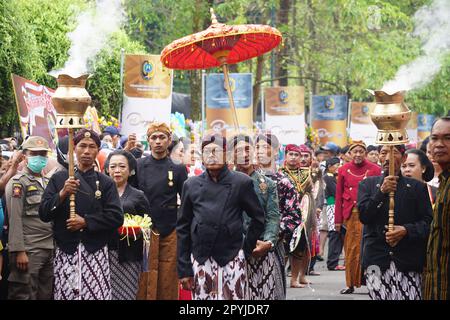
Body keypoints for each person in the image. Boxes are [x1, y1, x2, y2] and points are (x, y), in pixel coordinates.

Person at [177, 133, 264, 300]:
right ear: (202, 158)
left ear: (226, 155)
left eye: (216, 151)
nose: (212, 155)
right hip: (201, 259)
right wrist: (184, 268)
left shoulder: (241, 182)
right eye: (207, 152)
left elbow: (258, 218)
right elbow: (183, 228)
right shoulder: (191, 185)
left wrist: (245, 248)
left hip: (231, 257)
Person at [39, 129, 124, 300]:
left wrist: (86, 222)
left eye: (92, 147)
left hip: (95, 251)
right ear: (74, 149)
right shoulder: (59, 179)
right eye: (82, 146)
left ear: (98, 151)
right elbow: (44, 213)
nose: (86, 151)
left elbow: (116, 216)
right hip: (66, 250)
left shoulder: (106, 183)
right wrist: (62, 194)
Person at [358, 144, 433, 300]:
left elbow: (428, 223)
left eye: (394, 153)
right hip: (376, 261)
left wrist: (406, 230)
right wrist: (381, 193)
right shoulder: (368, 185)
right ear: (379, 156)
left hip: (408, 260)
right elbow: (364, 216)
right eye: (383, 153)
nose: (388, 158)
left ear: (404, 158)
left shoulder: (417, 187)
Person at [134, 122, 187, 300]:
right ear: (148, 141)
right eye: (154, 137)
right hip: (144, 229)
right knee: (145, 274)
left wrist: (180, 225)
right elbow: (131, 195)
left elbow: (186, 200)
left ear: (169, 140)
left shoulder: (178, 168)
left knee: (168, 275)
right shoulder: (139, 165)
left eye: (162, 137)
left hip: (170, 228)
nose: (158, 141)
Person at [231, 134, 284, 300]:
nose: (244, 154)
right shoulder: (224, 183)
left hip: (261, 250)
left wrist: (268, 242)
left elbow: (273, 217)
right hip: (232, 251)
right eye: (238, 151)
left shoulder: (267, 184)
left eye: (247, 149)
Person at [3, 136, 53, 300]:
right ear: (24, 156)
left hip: (49, 247)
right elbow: (14, 219)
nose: (40, 157)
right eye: (35, 153)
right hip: (29, 249)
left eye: (43, 154)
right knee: (24, 294)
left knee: (45, 294)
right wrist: (19, 251)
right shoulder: (18, 182)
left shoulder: (47, 182)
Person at [335, 140, 381, 294]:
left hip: (370, 215)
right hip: (351, 216)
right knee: (351, 250)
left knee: (370, 249)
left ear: (366, 153)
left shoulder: (375, 169)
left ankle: (372, 285)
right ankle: (350, 284)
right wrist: (338, 220)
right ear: (350, 153)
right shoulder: (343, 170)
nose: (358, 154)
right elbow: (338, 196)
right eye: (355, 151)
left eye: (361, 151)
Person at [105, 150, 150, 300]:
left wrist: (137, 228)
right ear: (107, 169)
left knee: (127, 295)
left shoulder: (138, 195)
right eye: (113, 166)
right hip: (103, 253)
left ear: (130, 171)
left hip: (129, 255)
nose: (117, 170)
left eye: (122, 166)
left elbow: (148, 222)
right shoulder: (100, 194)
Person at [277, 144, 317, 288]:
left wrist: (312, 210)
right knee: (284, 247)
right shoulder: (279, 173)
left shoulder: (307, 173)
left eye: (296, 155)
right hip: (284, 215)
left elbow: (311, 193)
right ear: (285, 156)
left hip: (303, 214)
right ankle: (280, 278)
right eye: (291, 154)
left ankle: (295, 279)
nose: (294, 157)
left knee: (301, 247)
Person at [423, 117, 450, 300]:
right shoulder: (443, 182)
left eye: (448, 138)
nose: (439, 144)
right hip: (435, 287)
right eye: (434, 138)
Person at [323, 157, 345, 271]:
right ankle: (332, 263)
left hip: (334, 206)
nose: (339, 167)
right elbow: (337, 192)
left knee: (337, 234)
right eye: (336, 165)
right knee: (334, 234)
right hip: (333, 206)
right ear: (329, 166)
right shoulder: (329, 177)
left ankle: (333, 262)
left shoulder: (330, 177)